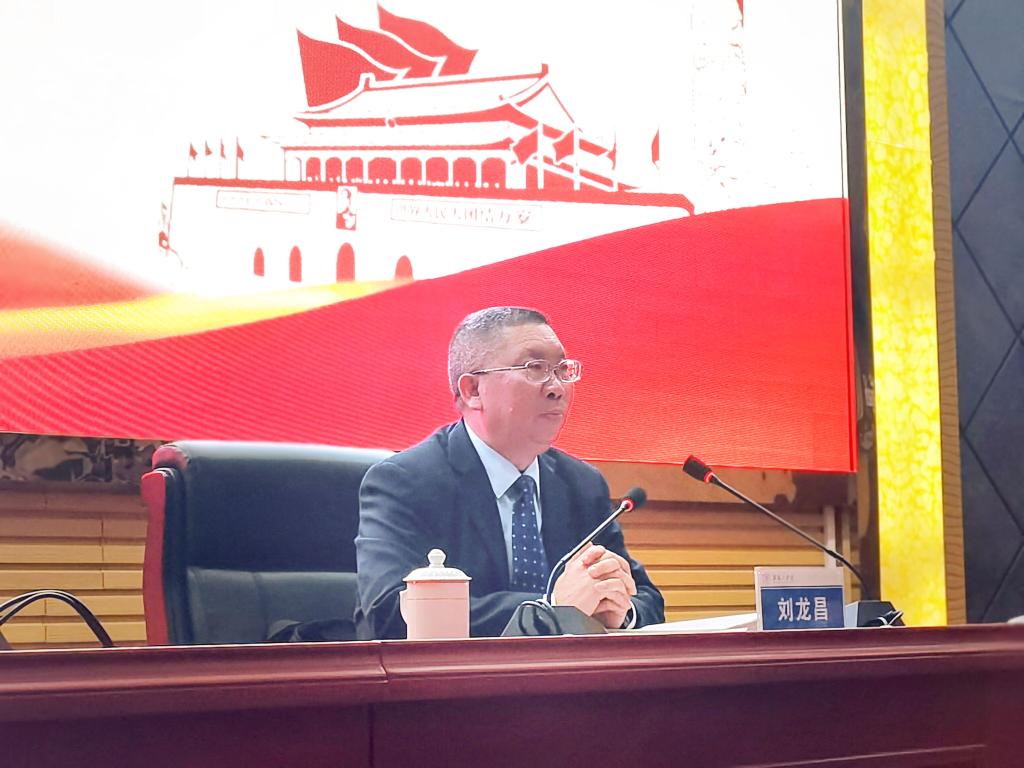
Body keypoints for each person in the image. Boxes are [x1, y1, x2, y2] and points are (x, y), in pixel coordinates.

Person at [355, 307, 664, 638]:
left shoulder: (581, 485)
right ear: (473, 390)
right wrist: (551, 607)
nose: (557, 388)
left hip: (570, 671)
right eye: (535, 368)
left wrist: (620, 610)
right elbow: (388, 613)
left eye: (562, 370)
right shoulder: (404, 482)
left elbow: (646, 600)